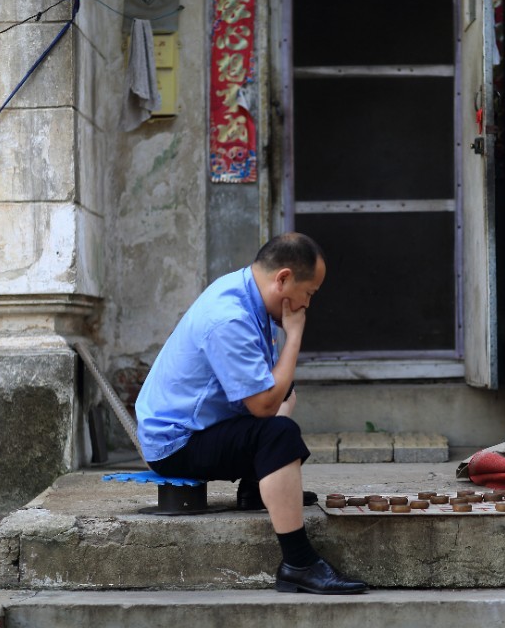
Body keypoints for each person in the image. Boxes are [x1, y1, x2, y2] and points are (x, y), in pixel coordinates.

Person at [135, 232, 367, 594]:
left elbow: (270, 391)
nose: (307, 304)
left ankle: (256, 489)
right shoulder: (229, 317)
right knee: (279, 434)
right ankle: (299, 563)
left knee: (284, 390)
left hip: (202, 426)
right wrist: (294, 336)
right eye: (309, 293)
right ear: (283, 279)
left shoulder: (247, 292)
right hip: (176, 443)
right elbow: (262, 406)